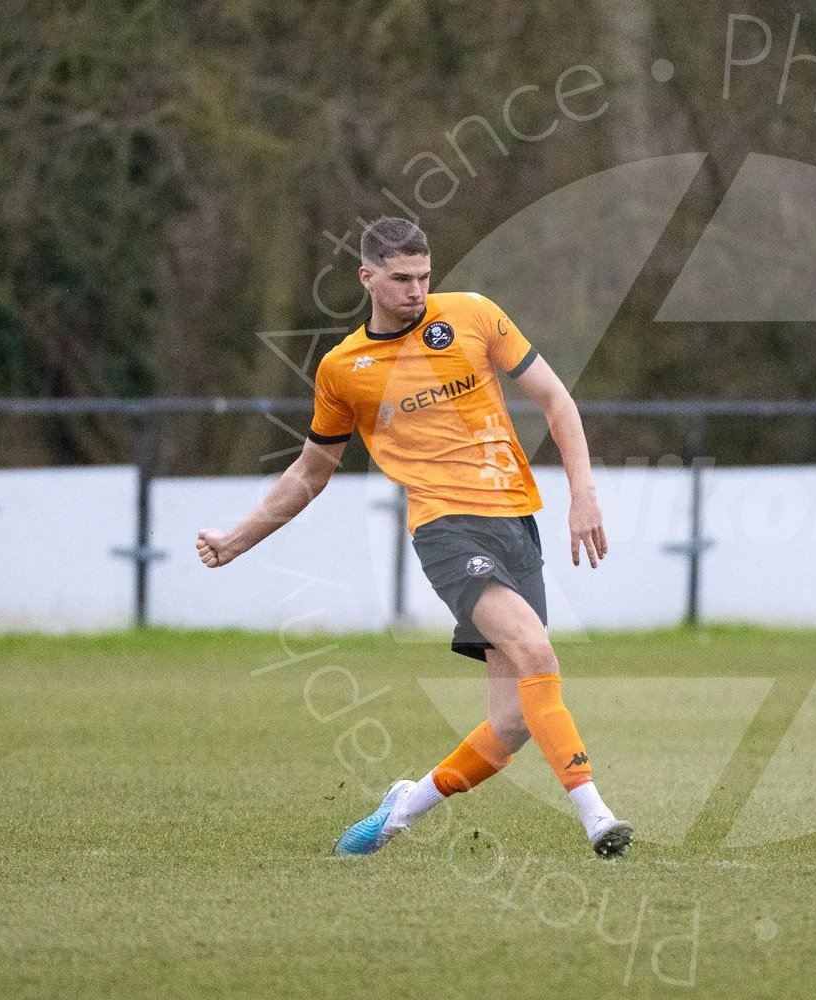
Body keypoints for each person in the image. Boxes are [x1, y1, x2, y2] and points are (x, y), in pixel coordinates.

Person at [194, 216, 632, 860]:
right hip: (446, 530)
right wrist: (238, 539)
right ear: (367, 277)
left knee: (512, 724)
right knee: (537, 651)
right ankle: (597, 817)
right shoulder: (344, 369)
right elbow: (311, 471)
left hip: (516, 522)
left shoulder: (474, 314)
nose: (416, 291)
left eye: (424, 276)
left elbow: (555, 399)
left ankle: (404, 805)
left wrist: (583, 493)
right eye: (401, 279)